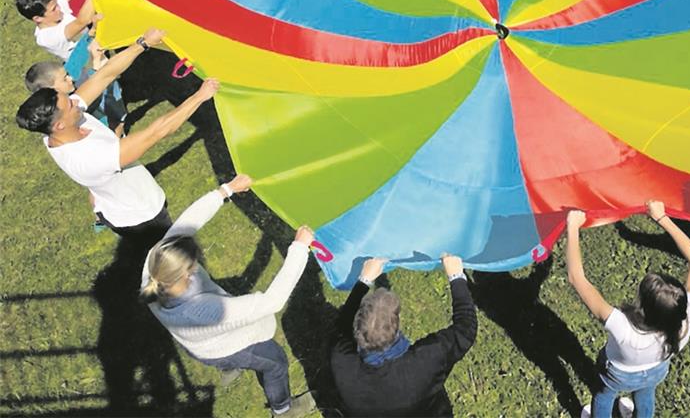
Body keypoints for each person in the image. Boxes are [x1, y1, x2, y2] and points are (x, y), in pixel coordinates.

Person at [141, 177, 316, 418]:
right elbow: (271, 302)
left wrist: (226, 190)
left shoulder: (153, 267)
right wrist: (299, 248)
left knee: (217, 356)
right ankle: (283, 409)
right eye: (194, 265)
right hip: (225, 347)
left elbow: (185, 223)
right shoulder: (204, 310)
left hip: (196, 346)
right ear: (186, 273)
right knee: (275, 363)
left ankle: (228, 369)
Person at [15, 49, 218, 246]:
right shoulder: (91, 158)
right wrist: (199, 96)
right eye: (70, 105)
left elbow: (105, 75)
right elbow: (156, 132)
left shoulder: (60, 129)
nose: (76, 102)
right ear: (60, 125)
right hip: (142, 217)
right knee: (175, 254)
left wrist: (142, 43)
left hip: (115, 204)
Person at [565, 202, 690, 418]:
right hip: (656, 371)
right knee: (646, 393)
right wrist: (661, 217)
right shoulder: (685, 322)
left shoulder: (623, 328)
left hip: (617, 374)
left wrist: (573, 227)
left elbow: (577, 278)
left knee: (604, 395)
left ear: (643, 307)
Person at [330, 254, 477, 416]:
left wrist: (363, 281)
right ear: (397, 326)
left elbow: (340, 328)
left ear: (356, 327)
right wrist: (456, 276)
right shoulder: (427, 361)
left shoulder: (342, 363)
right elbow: (466, 329)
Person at [15, 0, 97, 61]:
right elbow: (83, 21)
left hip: (96, 51)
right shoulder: (47, 38)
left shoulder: (53, 9)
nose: (59, 8)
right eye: (54, 9)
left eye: (56, 4)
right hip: (89, 69)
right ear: (38, 18)